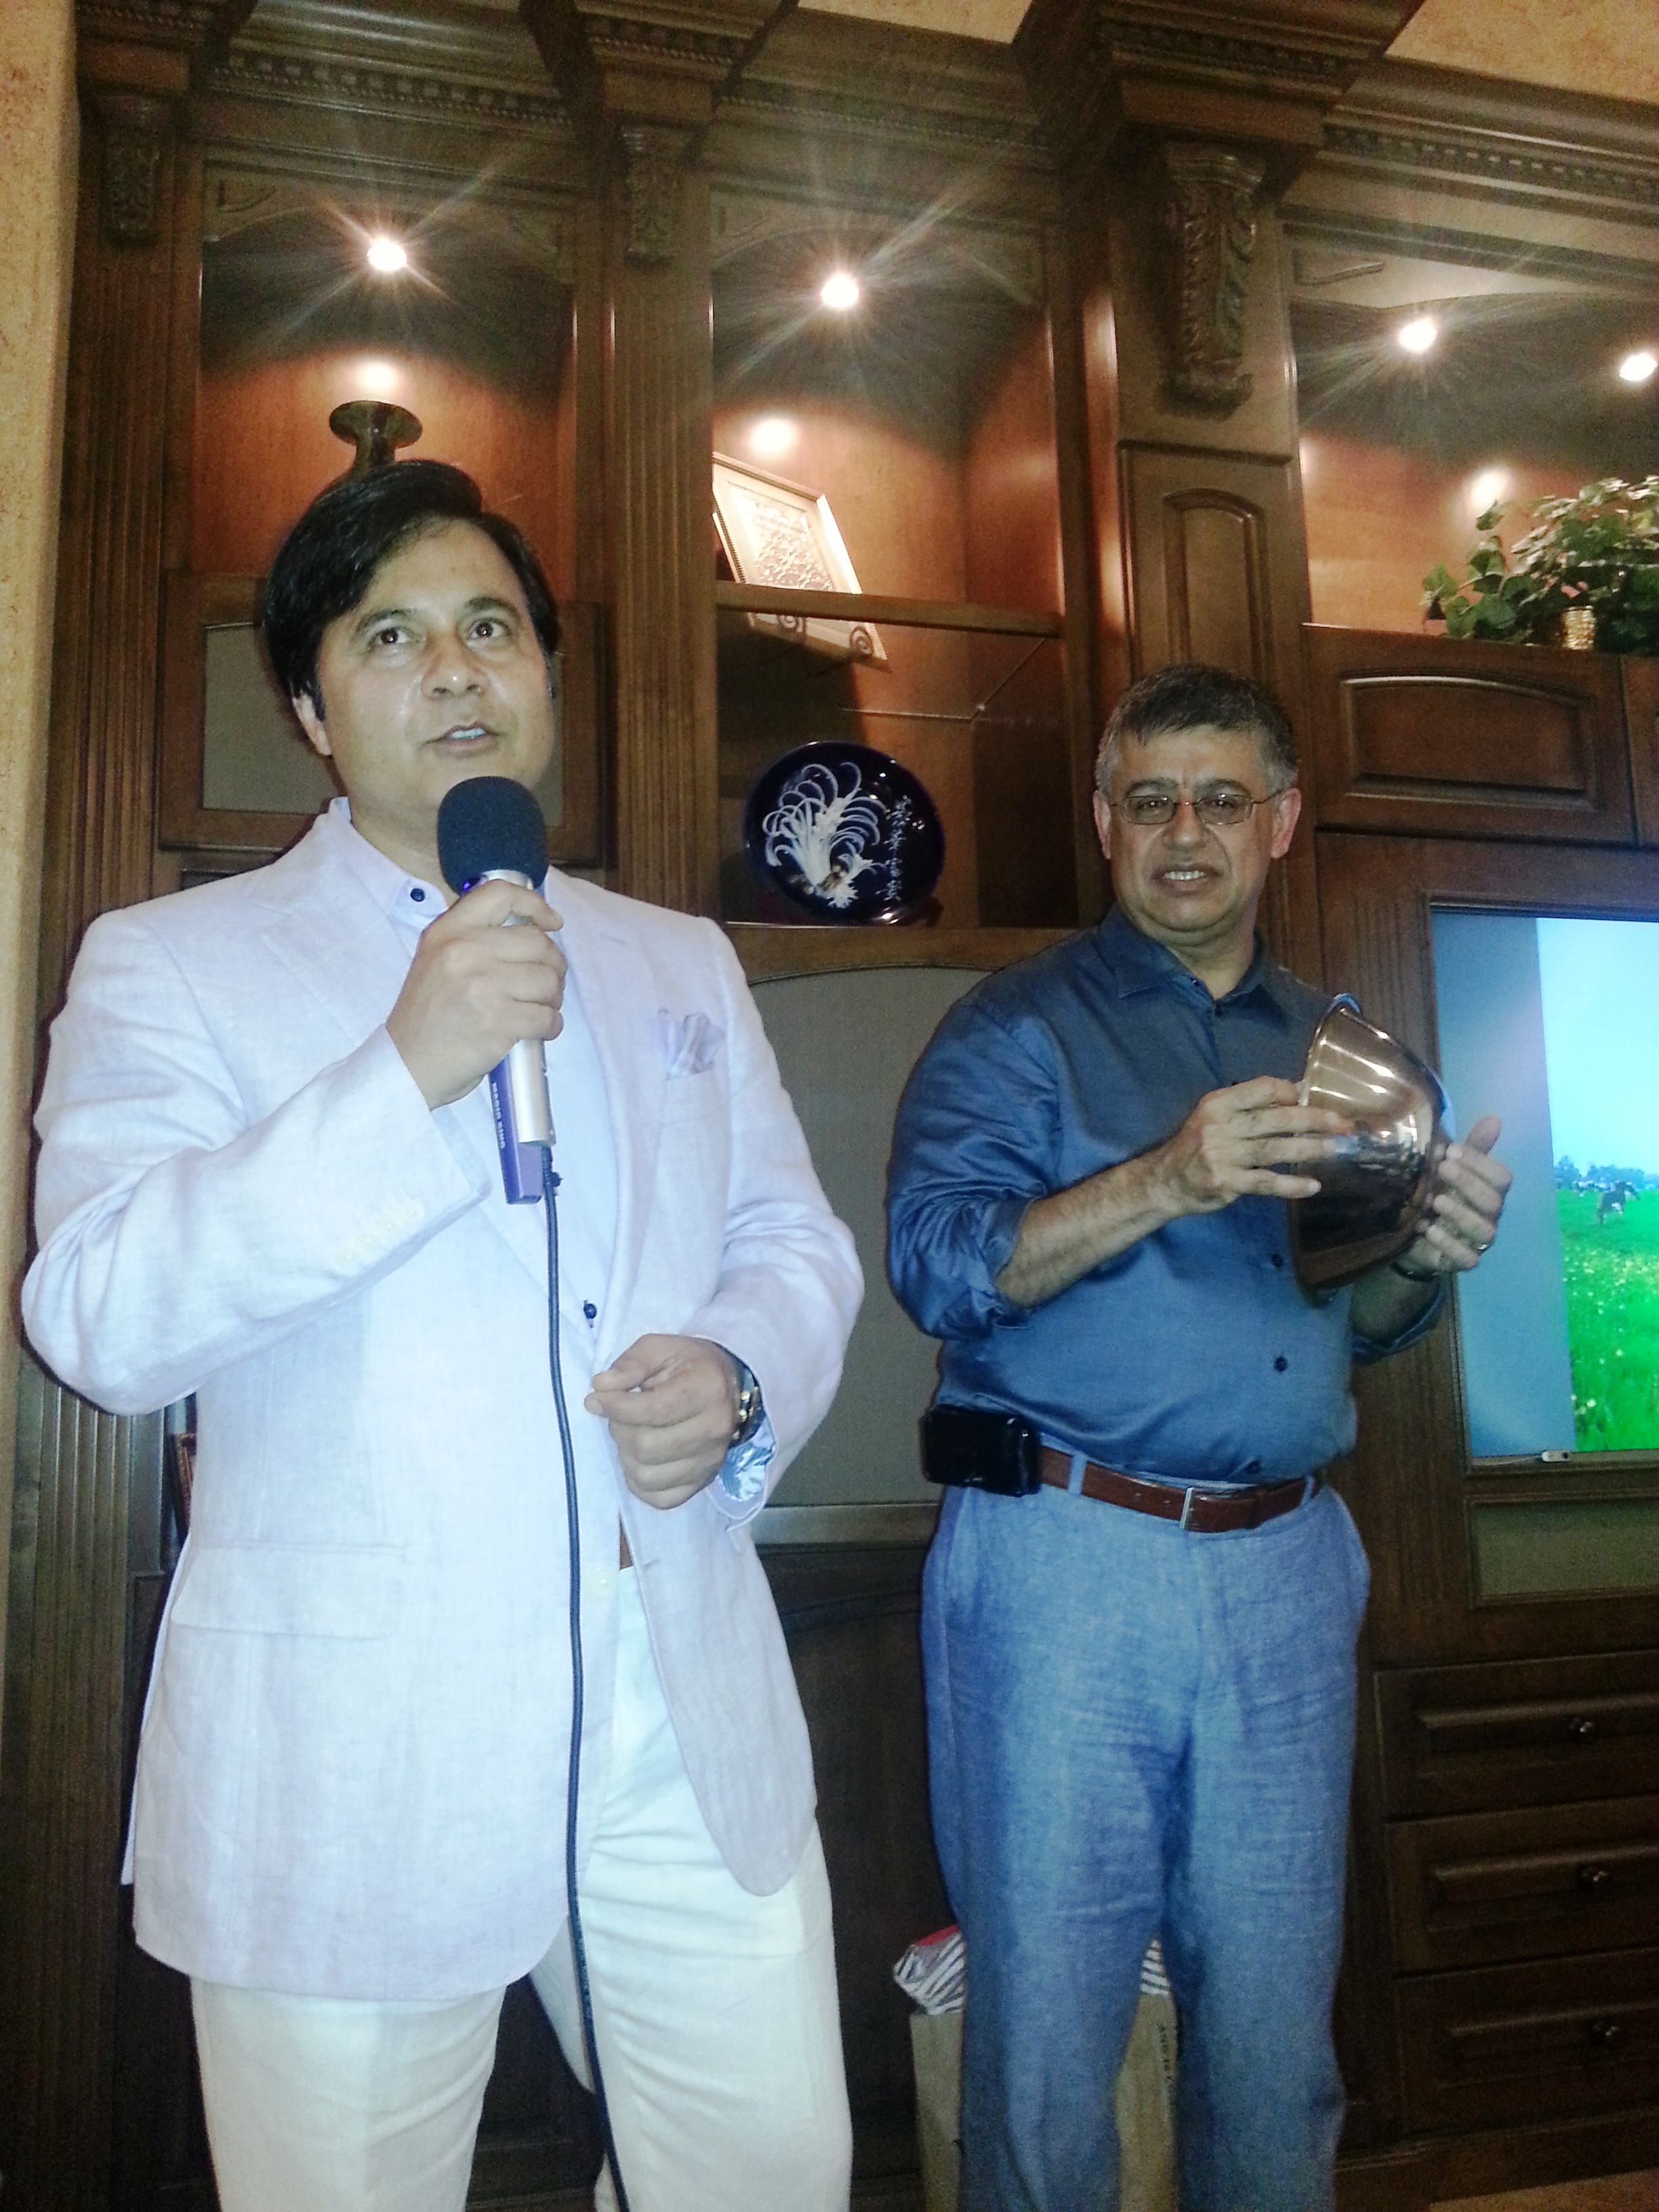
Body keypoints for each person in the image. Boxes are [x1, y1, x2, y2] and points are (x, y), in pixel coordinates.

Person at [24, 459, 862, 2212]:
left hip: (673, 1707)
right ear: (310, 709)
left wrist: (738, 1377)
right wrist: (406, 1071)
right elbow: (98, 1314)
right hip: (352, 1745)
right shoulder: (173, 961)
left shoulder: (680, 962)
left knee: (771, 2180)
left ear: (546, 672)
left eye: (492, 627)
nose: (459, 669)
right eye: (391, 637)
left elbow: (793, 1244)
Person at [886, 663, 1511, 2212]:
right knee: (1048, 2056)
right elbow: (936, 1265)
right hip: (1063, 1565)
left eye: (1221, 801)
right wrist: (1164, 1178)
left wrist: (1427, 1259)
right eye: (1151, 800)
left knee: (1277, 2050)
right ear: (1105, 820)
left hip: (1290, 1570)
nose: (1185, 834)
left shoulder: (1344, 1054)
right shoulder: (1015, 1028)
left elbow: (1353, 1323)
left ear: (1280, 821)